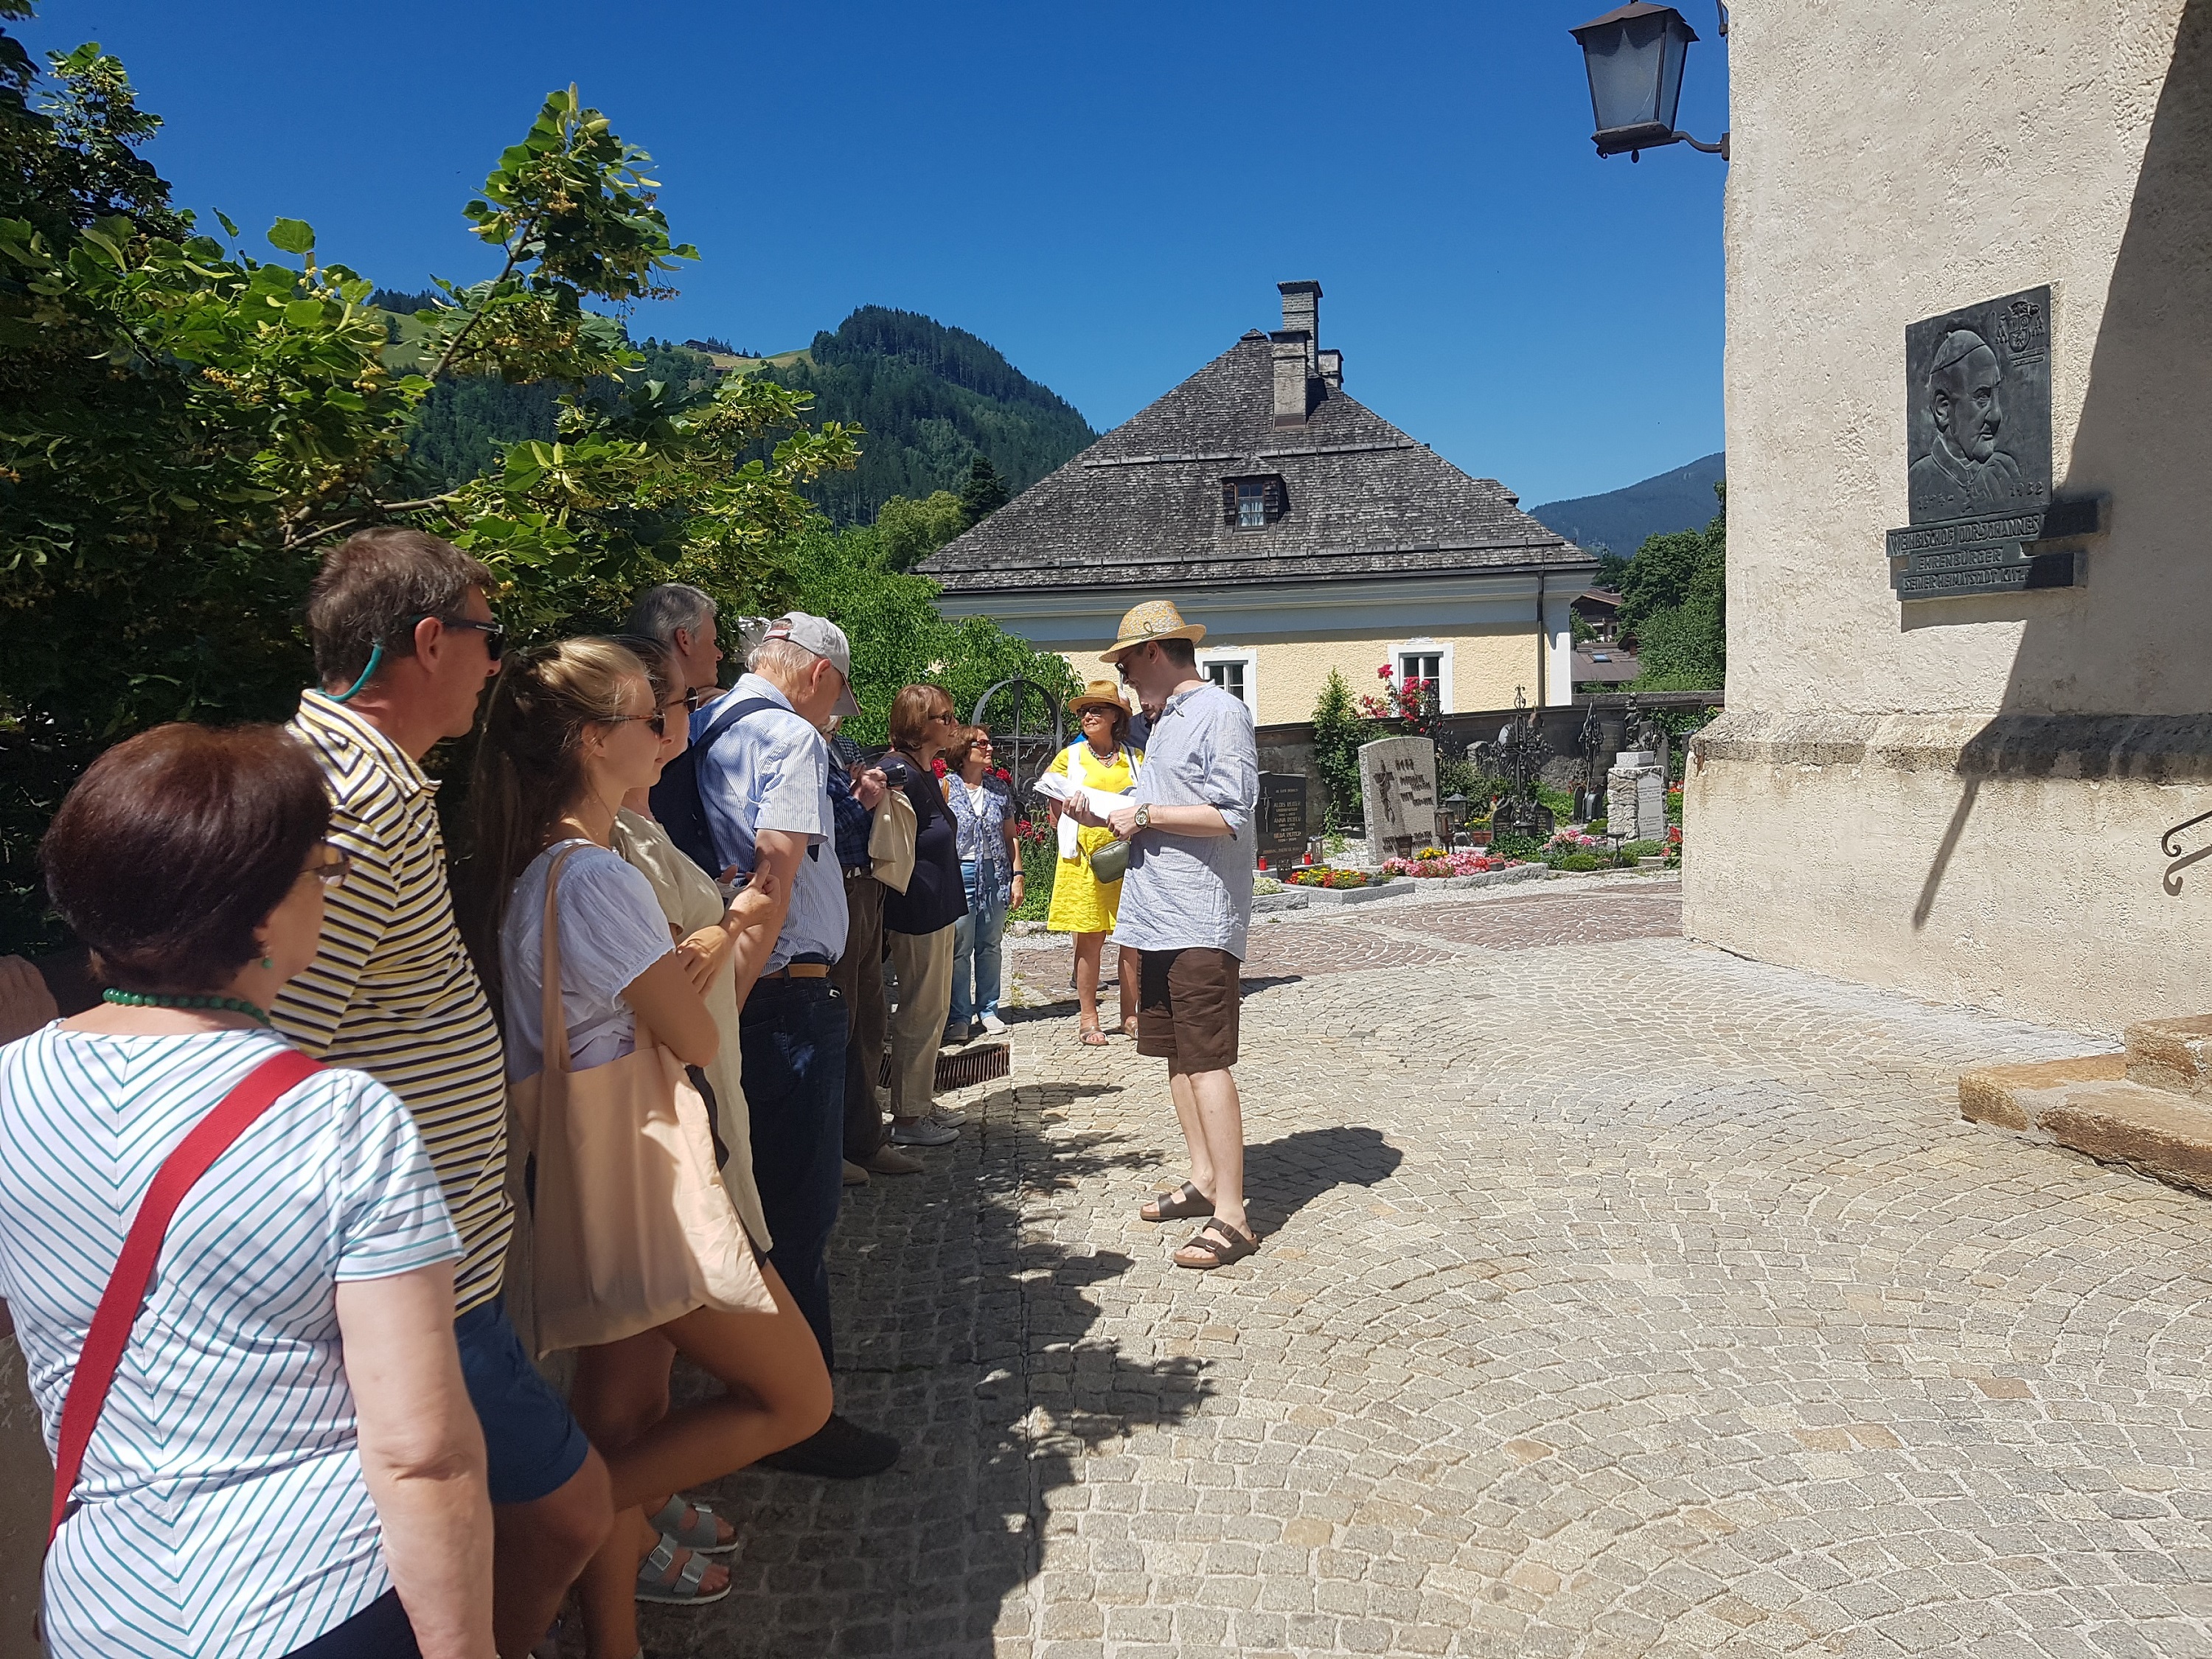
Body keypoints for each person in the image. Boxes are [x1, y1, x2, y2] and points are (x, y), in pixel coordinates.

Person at [1, 724, 493, 1659]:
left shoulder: (8, 1089)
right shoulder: (343, 1119)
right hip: (316, 1595)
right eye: (321, 868)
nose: (330, 887)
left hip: (104, 1610)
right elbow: (419, 1448)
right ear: (259, 912)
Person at [271, 527, 609, 1658]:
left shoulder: (360, 783)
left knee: (516, 1521)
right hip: (407, 1276)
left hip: (436, 1259)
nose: (492, 662)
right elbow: (278, 1048)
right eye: (485, 635)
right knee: (563, 1512)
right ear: (428, 639)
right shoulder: (352, 807)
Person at [466, 639, 832, 1658]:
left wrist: (692, 952)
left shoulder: (541, 869)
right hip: (659, 1187)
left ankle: (611, 1640)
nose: (666, 733)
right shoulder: (593, 879)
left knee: (627, 1421)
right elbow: (702, 1033)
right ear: (593, 740)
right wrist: (717, 938)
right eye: (644, 718)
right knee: (797, 1395)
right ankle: (551, 1515)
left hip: (601, 1184)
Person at [694, 612, 900, 1478]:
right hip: (779, 994)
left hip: (739, 988)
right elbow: (778, 871)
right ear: (816, 674)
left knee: (757, 1202)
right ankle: (799, 1416)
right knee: (798, 1214)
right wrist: (725, 1016)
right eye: (836, 696)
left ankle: (772, 1397)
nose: (835, 715)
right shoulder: (785, 734)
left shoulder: (704, 722)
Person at [1079, 600, 1262, 1270]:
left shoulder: (1221, 713)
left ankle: (1233, 1216)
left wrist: (1146, 812)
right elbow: (1163, 816)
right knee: (1178, 1055)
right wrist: (1106, 811)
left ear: (1155, 652)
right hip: (1157, 915)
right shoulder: (1166, 723)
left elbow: (1231, 814)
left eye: (1126, 665)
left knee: (1208, 1058)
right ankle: (1206, 1179)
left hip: (1199, 917)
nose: (1124, 683)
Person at [824, 720, 918, 1180]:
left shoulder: (839, 741)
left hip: (865, 886)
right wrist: (864, 796)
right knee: (839, 1016)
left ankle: (864, 1139)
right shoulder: (798, 740)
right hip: (835, 888)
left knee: (869, 1017)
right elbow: (833, 825)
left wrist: (869, 787)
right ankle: (831, 1146)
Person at [880, 684, 969, 1145]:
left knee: (933, 1009)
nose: (952, 724)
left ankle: (919, 1101)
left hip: (935, 905)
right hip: (915, 908)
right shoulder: (896, 772)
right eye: (943, 716)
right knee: (920, 1010)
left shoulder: (922, 771)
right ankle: (908, 1120)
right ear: (919, 724)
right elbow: (892, 849)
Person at [1044, 681, 1144, 1046]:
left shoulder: (1136, 758)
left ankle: (1130, 1016)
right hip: (1085, 860)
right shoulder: (1069, 757)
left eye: (1097, 709)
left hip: (1127, 859)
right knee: (1089, 941)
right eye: (1084, 710)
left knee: (1131, 940)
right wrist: (1068, 810)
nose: (1087, 715)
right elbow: (1053, 807)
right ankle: (1089, 1018)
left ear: (1116, 716)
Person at [942, 726, 1023, 1041]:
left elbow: (1010, 836)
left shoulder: (998, 789)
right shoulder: (945, 787)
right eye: (982, 744)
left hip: (995, 873)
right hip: (959, 873)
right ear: (964, 750)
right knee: (959, 947)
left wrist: (1018, 876)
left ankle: (989, 1009)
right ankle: (959, 1015)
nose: (989, 748)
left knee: (990, 945)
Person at [623, 582, 723, 712]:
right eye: (713, 641)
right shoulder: (735, 718)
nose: (719, 654)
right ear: (684, 640)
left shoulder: (619, 704)